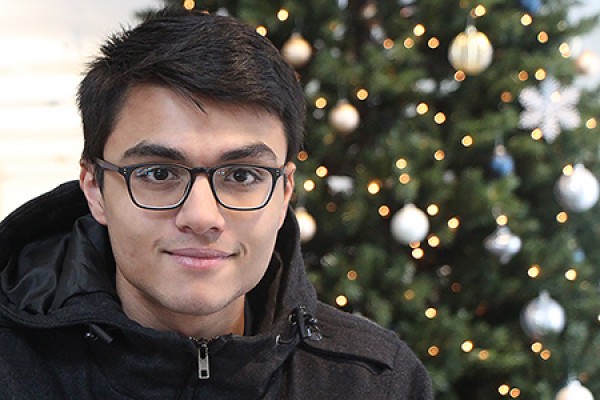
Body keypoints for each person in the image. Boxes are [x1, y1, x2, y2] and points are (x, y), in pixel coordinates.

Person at [0, 7, 432, 399]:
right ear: (95, 189)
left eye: (242, 176)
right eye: (158, 174)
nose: (202, 217)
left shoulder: (375, 382)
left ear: (284, 193)